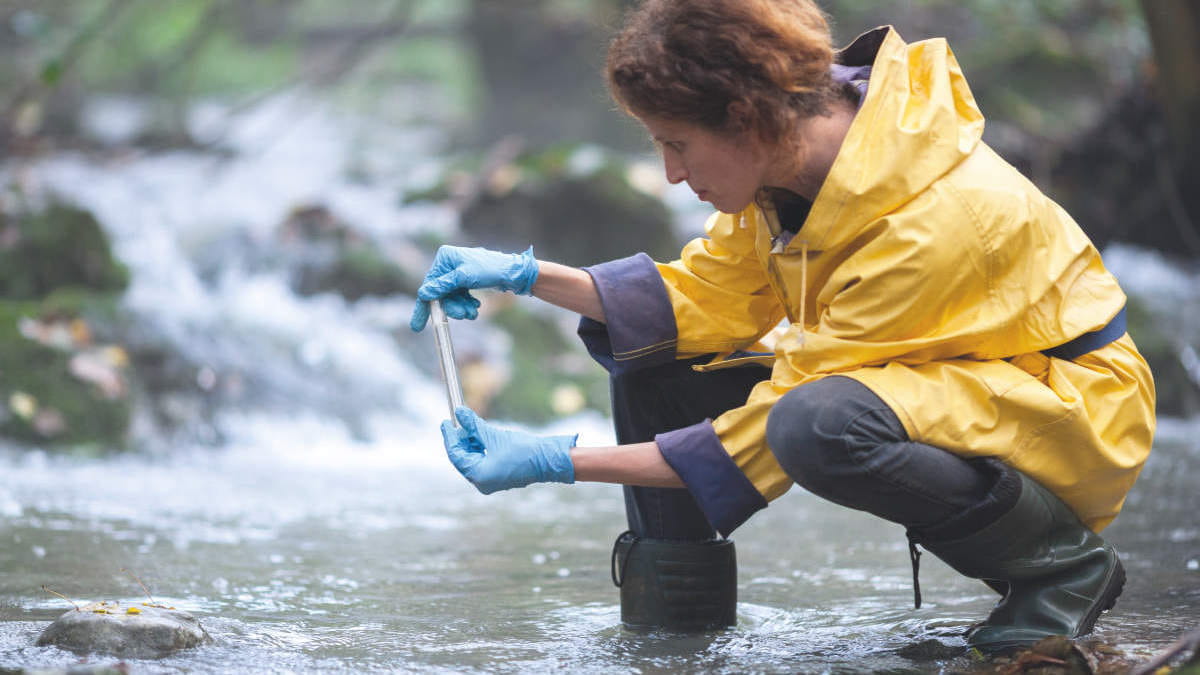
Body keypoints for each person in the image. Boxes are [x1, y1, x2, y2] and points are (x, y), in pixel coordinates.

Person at [409, 0, 1155, 654]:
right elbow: (706, 300)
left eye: (677, 144)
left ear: (745, 118)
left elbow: (768, 436)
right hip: (964, 384)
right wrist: (526, 276)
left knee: (816, 425)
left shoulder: (925, 228)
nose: (672, 173)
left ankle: (1059, 567)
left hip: (1068, 409)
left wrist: (558, 461)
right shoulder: (790, 165)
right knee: (664, 355)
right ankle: (676, 620)